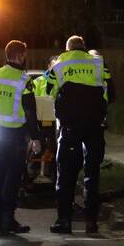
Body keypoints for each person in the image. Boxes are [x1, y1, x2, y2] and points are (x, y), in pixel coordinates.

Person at [48, 35, 108, 234]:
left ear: (68, 48)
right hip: (94, 127)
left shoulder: (61, 62)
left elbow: (49, 90)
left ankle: (64, 221)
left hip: (70, 127)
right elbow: (110, 93)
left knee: (66, 175)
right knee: (92, 175)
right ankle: (92, 222)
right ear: (84, 47)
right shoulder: (98, 63)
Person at [0, 40, 42, 235]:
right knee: (13, 179)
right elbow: (30, 112)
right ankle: (8, 221)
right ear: (20, 56)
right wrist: (35, 138)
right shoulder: (24, 80)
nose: (25, 58)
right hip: (16, 136)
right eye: (24, 55)